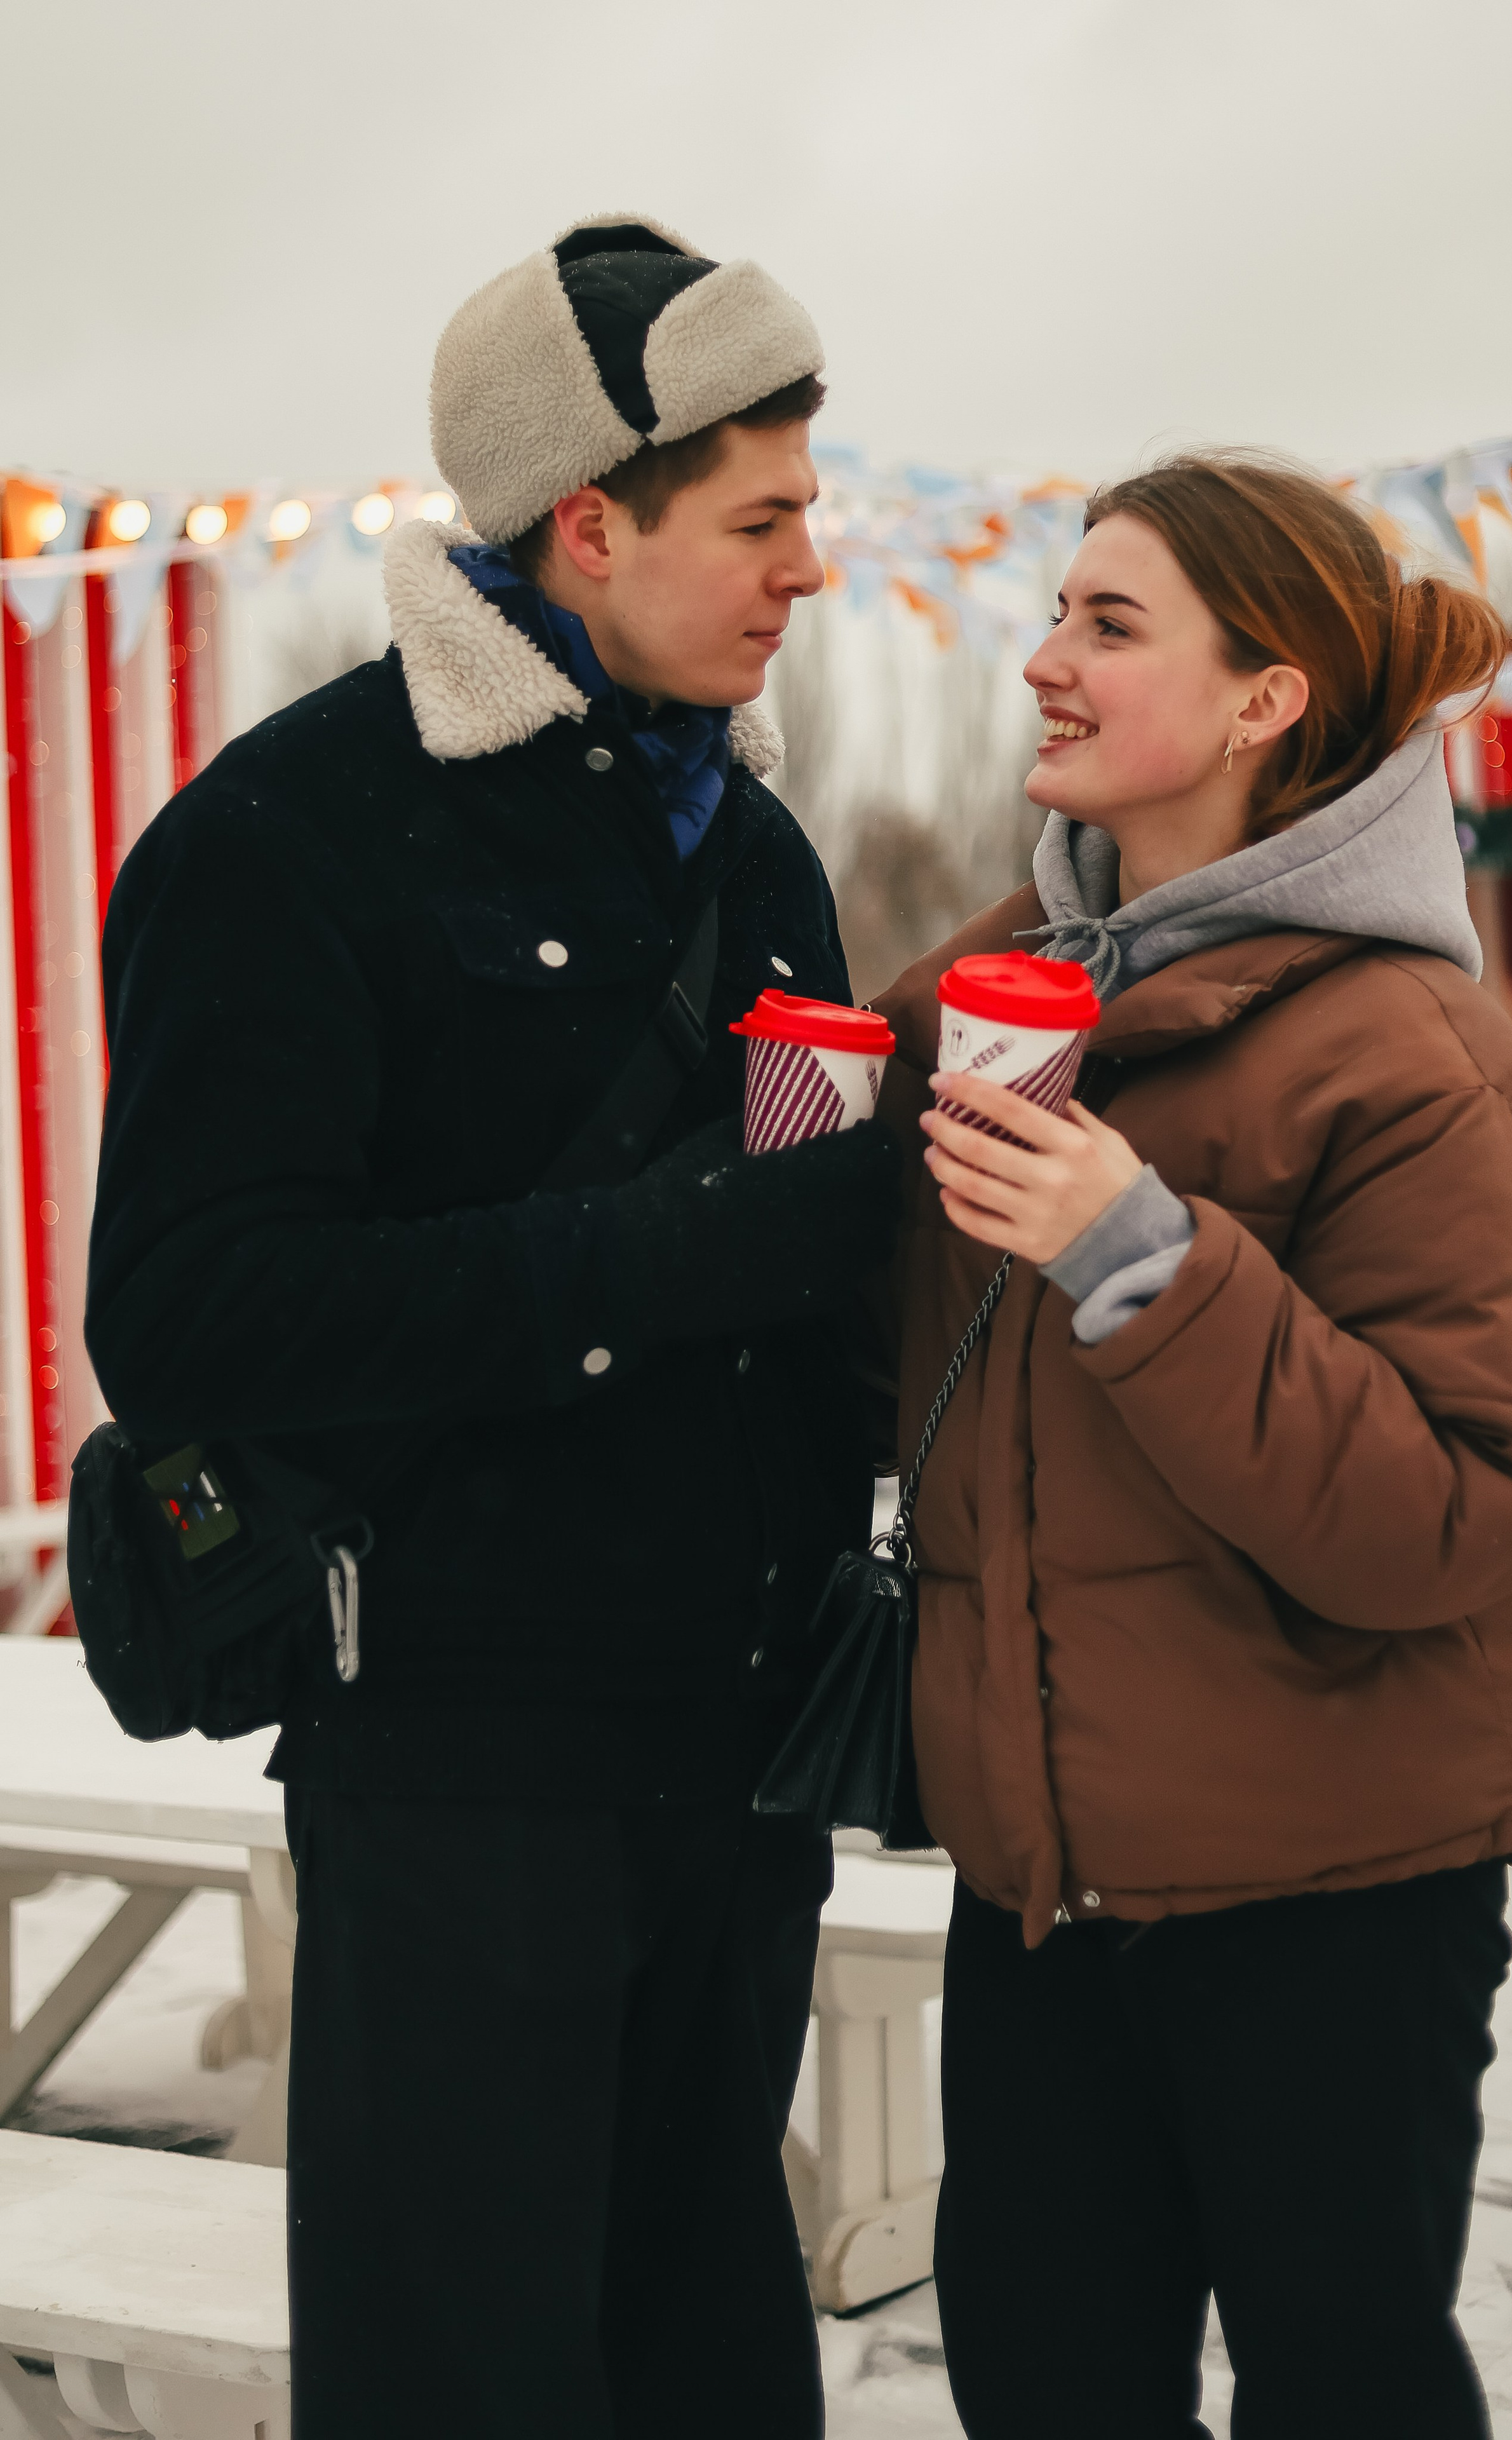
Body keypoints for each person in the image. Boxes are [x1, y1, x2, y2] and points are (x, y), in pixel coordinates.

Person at [85, 215, 899, 2439]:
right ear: (589, 523)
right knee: (468, 2386)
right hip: (455, 1769)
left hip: (733, 1772)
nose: (806, 567)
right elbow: (183, 1317)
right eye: (762, 517)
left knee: (715, 2377)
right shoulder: (284, 840)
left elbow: (801, 1273)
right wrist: (672, 1259)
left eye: (810, 512)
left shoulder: (756, 855)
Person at [871, 453, 1512, 2440]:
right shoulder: (991, 1002)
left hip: (1333, 1893)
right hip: (1049, 1894)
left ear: (1268, 697)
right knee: (1045, 2385)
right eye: (1055, 616)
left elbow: (1460, 1524)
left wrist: (1146, 1259)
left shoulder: (1408, 1050)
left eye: (1110, 624)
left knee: (1340, 2391)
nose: (1044, 667)